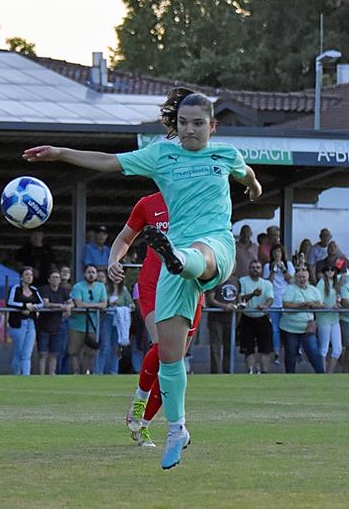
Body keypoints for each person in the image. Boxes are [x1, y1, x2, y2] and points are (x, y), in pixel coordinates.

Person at [23, 89, 262, 469]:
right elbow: (108, 161)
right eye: (183, 123)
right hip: (172, 271)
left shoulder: (226, 155)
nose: (190, 130)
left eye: (198, 124)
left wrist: (253, 187)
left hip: (215, 247)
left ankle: (177, 256)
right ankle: (177, 429)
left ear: (213, 127)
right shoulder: (162, 155)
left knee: (199, 253)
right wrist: (62, 153)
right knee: (170, 356)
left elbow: (247, 174)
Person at [106, 192, 203, 445]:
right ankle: (140, 399)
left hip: (190, 287)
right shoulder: (148, 204)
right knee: (162, 348)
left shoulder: (199, 199)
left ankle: (143, 424)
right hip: (154, 285)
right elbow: (125, 237)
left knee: (174, 362)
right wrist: (113, 260)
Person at [280, 268, 325, 373]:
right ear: (295, 278)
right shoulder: (290, 289)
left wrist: (312, 305)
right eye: (299, 277)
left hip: (307, 329)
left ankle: (322, 376)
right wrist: (300, 305)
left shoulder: (314, 290)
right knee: (291, 356)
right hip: (290, 329)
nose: (301, 279)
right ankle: (290, 378)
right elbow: (286, 304)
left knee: (314, 354)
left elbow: (320, 305)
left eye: (303, 277)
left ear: (307, 277)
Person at [66, 264, 107, 375]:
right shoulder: (78, 287)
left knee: (91, 352)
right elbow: (78, 304)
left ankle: (86, 373)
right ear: (84, 274)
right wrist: (95, 305)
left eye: (93, 272)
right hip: (76, 325)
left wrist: (88, 305)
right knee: (74, 352)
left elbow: (104, 304)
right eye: (89, 272)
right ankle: (75, 373)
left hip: (92, 325)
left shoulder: (101, 286)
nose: (91, 274)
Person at [6, 266, 44, 375]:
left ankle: (26, 376)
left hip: (31, 323)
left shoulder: (34, 290)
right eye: (26, 275)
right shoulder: (16, 288)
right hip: (18, 323)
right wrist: (24, 306)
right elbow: (10, 302)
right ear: (21, 277)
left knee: (27, 353)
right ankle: (17, 375)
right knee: (19, 352)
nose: (29, 277)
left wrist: (33, 307)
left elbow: (41, 303)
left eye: (31, 275)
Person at [238, 260, 274, 374]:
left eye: (258, 267)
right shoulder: (242, 281)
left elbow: (270, 298)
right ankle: (251, 371)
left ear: (261, 270)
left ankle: (264, 372)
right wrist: (253, 294)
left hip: (262, 318)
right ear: (249, 269)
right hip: (247, 318)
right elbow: (241, 299)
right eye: (253, 267)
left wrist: (264, 305)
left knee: (265, 348)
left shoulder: (267, 283)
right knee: (248, 349)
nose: (255, 269)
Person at [96, 270, 134, 375]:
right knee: (105, 346)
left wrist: (125, 307)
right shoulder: (105, 289)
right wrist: (110, 303)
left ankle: (113, 371)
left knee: (116, 347)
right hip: (107, 318)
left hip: (119, 320)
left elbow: (131, 304)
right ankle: (99, 371)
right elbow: (103, 302)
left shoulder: (124, 290)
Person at [263, 243, 294, 365]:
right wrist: (272, 271)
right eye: (275, 252)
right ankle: (276, 351)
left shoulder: (289, 264)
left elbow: (291, 281)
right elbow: (267, 283)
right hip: (274, 302)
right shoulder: (267, 266)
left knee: (288, 328)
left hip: (286, 302)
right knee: (275, 329)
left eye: (279, 252)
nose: (277, 254)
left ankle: (293, 351)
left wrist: (283, 269)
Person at [37, 270, 72, 375]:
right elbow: (46, 304)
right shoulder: (44, 290)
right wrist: (60, 306)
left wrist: (69, 307)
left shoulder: (63, 291)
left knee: (54, 354)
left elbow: (71, 302)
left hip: (57, 326)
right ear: (49, 279)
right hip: (44, 325)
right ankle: (42, 376)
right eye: (53, 277)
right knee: (43, 353)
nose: (55, 279)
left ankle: (51, 375)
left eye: (57, 277)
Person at [206, 274, 238, 374]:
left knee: (229, 347)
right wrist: (224, 306)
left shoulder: (236, 281)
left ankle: (228, 371)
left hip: (231, 319)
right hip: (216, 319)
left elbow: (239, 297)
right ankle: (216, 372)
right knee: (216, 347)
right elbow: (210, 299)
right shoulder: (216, 279)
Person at [316, 264, 342, 373]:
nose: (330, 271)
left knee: (338, 349)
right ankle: (323, 375)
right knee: (324, 349)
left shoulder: (336, 283)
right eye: (327, 269)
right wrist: (331, 307)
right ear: (324, 272)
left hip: (334, 318)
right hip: (324, 318)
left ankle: (329, 374)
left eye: (333, 269)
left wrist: (338, 304)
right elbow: (319, 302)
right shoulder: (321, 283)